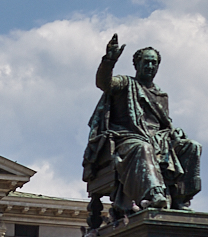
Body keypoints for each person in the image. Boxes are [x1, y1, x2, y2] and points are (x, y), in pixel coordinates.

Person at [83, 34, 201, 216]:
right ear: (136, 64)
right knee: (143, 148)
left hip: (160, 140)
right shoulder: (125, 84)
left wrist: (173, 133)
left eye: (154, 63)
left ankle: (180, 198)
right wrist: (109, 60)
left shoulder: (161, 96)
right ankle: (154, 195)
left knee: (192, 146)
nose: (150, 66)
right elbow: (104, 83)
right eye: (146, 62)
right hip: (128, 138)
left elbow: (163, 125)